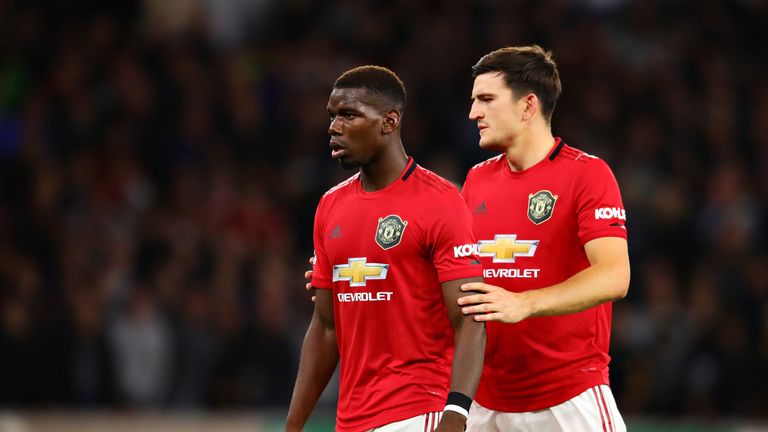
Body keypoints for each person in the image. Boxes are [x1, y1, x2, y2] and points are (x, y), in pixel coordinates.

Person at [286, 65, 486, 432]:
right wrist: (294, 425)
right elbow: (326, 327)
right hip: (351, 420)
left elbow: (469, 318)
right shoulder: (330, 206)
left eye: (348, 115)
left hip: (420, 412)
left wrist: (456, 414)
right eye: (332, 116)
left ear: (389, 122)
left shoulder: (440, 201)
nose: (333, 127)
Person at [457, 45, 630, 431]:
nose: (474, 113)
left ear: (528, 105)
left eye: (486, 99)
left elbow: (615, 276)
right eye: (473, 101)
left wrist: (525, 303)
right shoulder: (477, 180)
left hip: (568, 398)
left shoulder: (588, 175)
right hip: (485, 401)